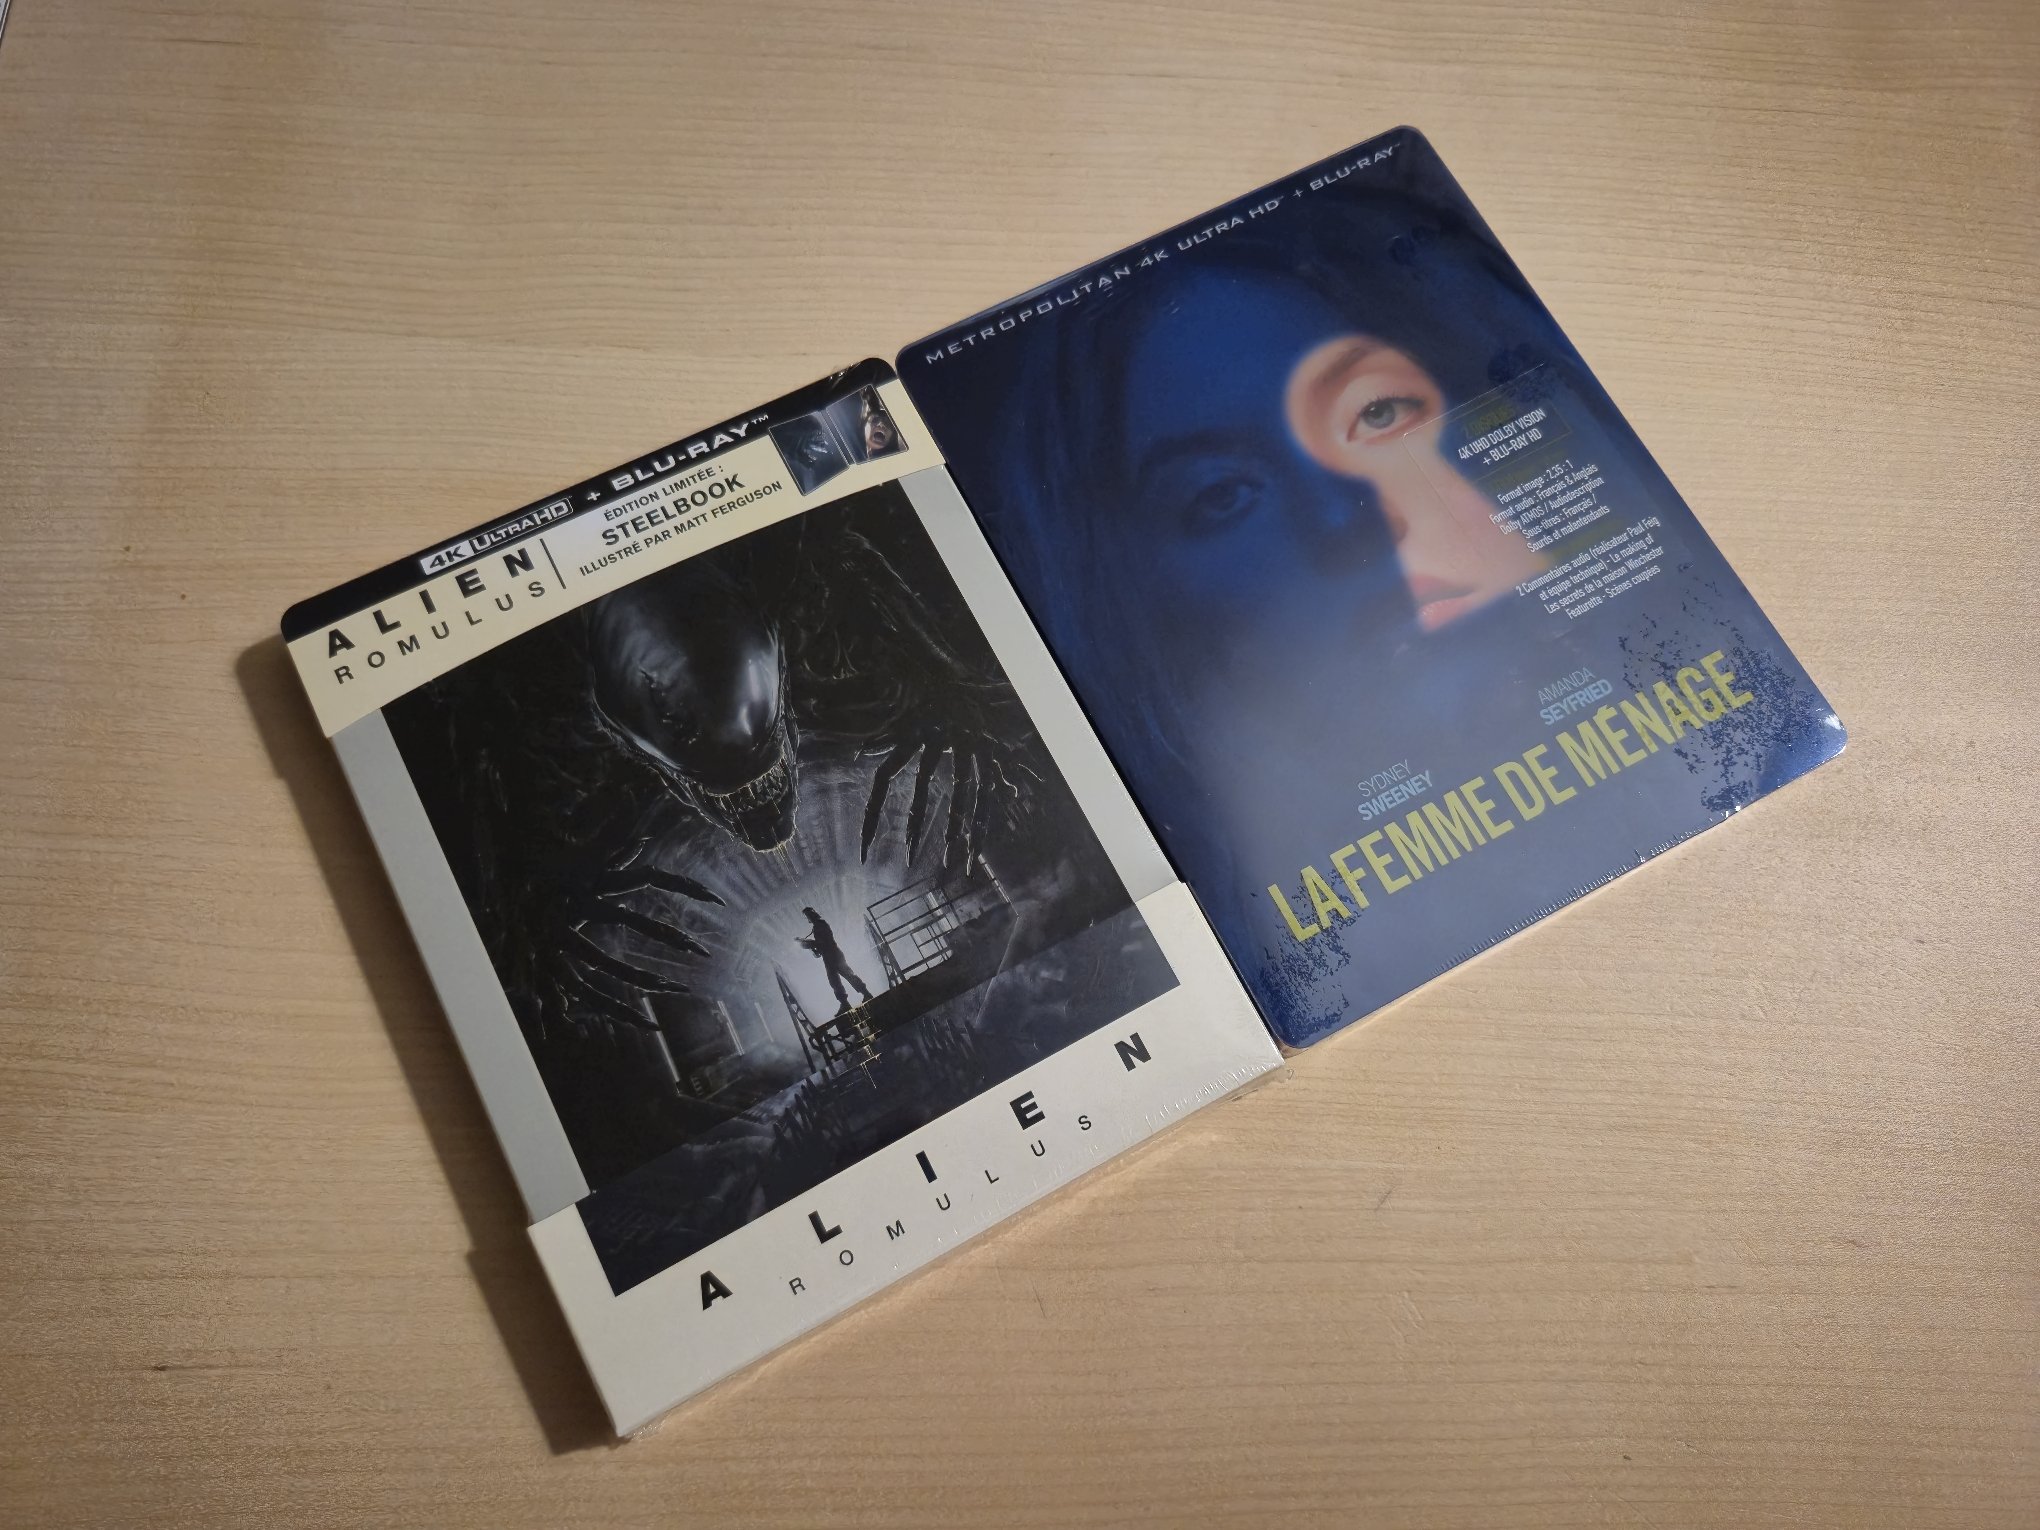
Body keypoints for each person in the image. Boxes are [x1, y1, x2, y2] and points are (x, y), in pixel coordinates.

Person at [797, 906, 873, 1013]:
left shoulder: (820, 925)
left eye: (809, 915)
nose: (809, 917)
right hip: (830, 955)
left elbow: (822, 943)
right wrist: (809, 944)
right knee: (835, 980)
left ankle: (861, 996)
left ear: (813, 914)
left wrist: (806, 943)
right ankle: (847, 1002)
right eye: (807, 915)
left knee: (846, 976)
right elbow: (821, 945)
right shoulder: (818, 925)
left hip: (833, 954)